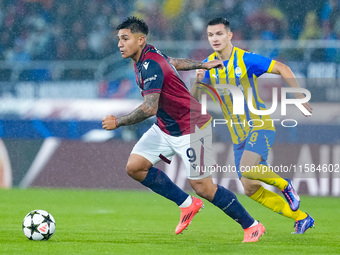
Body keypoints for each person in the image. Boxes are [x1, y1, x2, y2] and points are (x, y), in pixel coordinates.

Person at [102, 16, 266, 242]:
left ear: (140, 40)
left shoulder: (150, 64)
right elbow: (175, 62)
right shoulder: (148, 54)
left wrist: (118, 122)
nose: (119, 44)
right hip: (166, 127)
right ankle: (187, 204)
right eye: (119, 39)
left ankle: (252, 225)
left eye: (125, 38)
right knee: (136, 167)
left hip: (192, 127)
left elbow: (150, 108)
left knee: (204, 188)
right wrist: (203, 64)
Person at [190, 17, 315, 234]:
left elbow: (283, 68)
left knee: (248, 168)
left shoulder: (245, 59)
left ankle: (285, 185)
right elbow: (193, 101)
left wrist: (299, 96)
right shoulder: (208, 64)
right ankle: (302, 218)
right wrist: (197, 82)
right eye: (211, 35)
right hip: (238, 135)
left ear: (229, 35)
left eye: (219, 34)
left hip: (259, 125)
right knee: (249, 187)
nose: (215, 39)